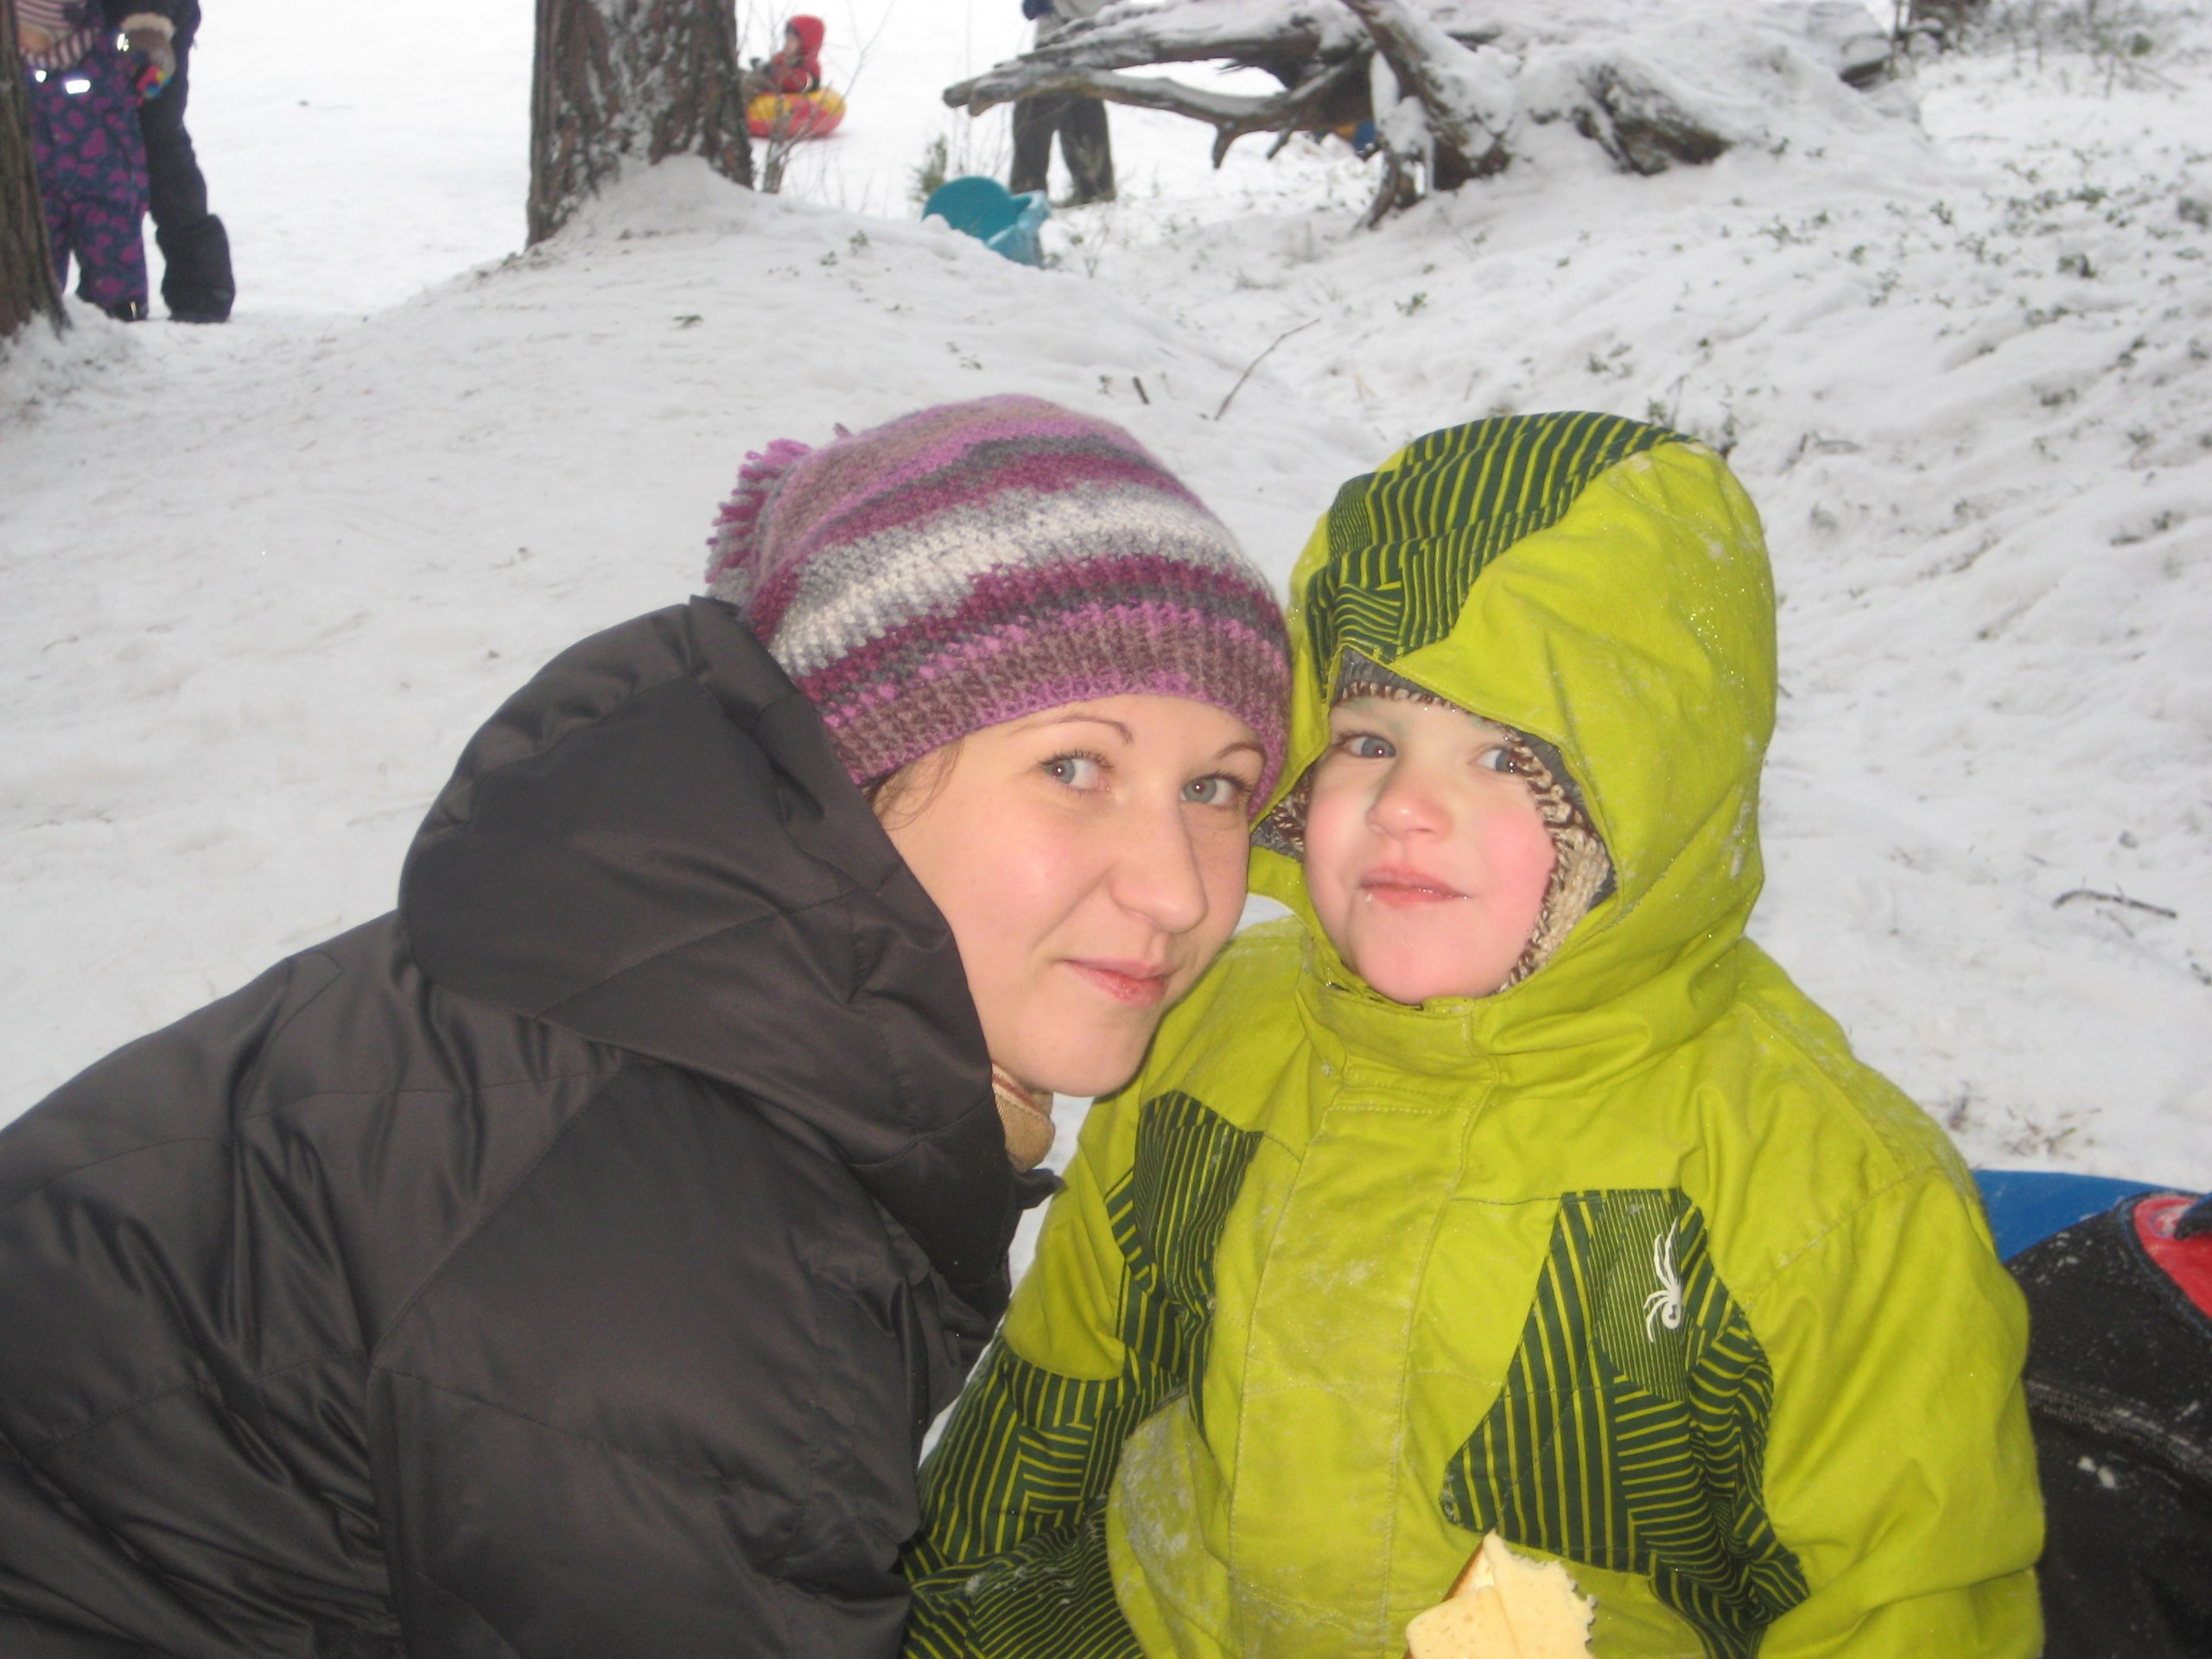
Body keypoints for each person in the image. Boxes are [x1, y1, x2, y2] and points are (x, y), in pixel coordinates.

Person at [0, 395, 1289, 1658]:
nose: (1178, 891)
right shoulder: (697, 1263)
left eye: (1215, 786)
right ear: (858, 769)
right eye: (1075, 766)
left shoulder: (672, 971)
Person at [904, 412, 2044, 1658]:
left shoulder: (1827, 1192)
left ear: (1654, 795)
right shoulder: (1211, 1036)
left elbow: (1906, 1603)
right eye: (1368, 741)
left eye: (1506, 756)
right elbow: (1063, 1388)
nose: (1405, 806)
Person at [99, 0, 236, 323]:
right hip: (72, 26)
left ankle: (200, 290)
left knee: (159, 145)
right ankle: (110, 292)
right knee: (87, 156)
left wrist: (149, 28)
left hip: (150, 29)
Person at [18, 0, 152, 320]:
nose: (19, 36)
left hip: (105, 182)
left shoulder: (104, 53)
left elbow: (148, 77)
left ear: (54, 29)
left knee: (112, 252)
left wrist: (152, 69)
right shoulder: (17, 66)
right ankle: (35, 313)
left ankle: (124, 310)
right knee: (39, 251)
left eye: (28, 30)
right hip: (41, 187)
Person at [1009, 0, 1114, 206]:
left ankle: (1027, 197)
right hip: (1084, 36)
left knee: (1036, 109)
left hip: (1072, 36)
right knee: (1082, 106)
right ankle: (1095, 192)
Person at [741, 13, 825, 103]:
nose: (786, 43)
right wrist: (761, 65)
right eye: (787, 39)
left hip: (786, 98)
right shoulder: (782, 57)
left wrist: (771, 71)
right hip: (771, 91)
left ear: (806, 43)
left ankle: (736, 108)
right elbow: (772, 65)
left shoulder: (808, 65)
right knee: (740, 75)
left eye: (791, 40)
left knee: (750, 83)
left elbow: (798, 83)